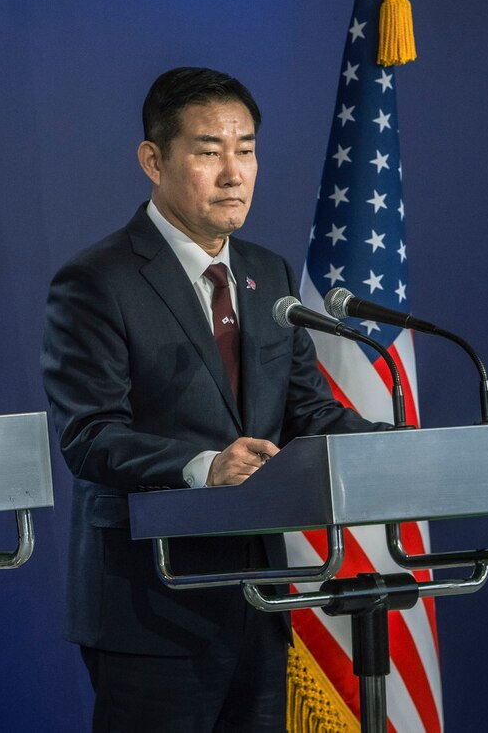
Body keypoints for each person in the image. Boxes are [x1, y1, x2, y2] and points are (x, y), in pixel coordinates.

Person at [42, 67, 381, 732]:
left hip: (257, 600)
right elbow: (90, 437)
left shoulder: (266, 272)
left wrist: (402, 445)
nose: (234, 173)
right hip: (151, 607)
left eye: (246, 149)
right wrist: (204, 467)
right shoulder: (96, 281)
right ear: (153, 160)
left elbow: (308, 412)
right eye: (207, 150)